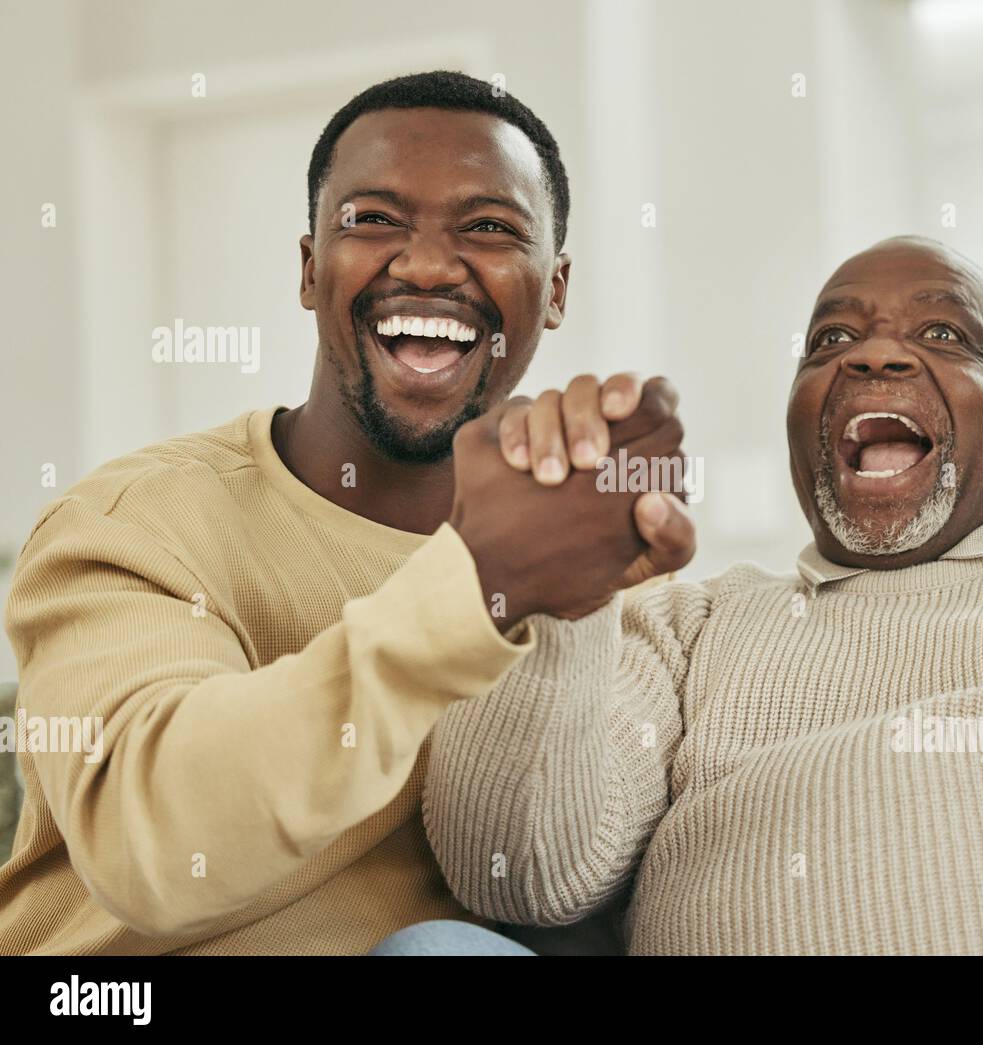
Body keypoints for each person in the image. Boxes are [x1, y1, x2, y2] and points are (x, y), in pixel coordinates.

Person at [424, 236, 983, 955]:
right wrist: (555, 593)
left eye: (948, 336)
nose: (875, 353)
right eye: (831, 342)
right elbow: (516, 870)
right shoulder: (687, 625)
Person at [0, 70, 691, 955]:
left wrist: (569, 605)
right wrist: (482, 584)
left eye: (488, 228)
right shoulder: (138, 521)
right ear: (309, 266)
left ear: (554, 289)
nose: (431, 265)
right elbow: (155, 848)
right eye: (373, 220)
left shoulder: (605, 587)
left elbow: (574, 898)